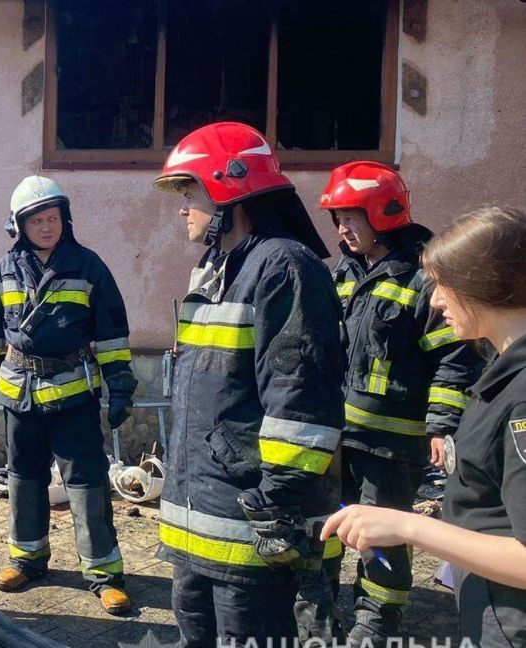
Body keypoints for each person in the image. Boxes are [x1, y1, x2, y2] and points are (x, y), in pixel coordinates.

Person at [152, 122, 345, 645]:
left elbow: (300, 398)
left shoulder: (284, 266)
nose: (181, 206)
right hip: (203, 521)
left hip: (252, 527)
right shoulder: (218, 267)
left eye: (189, 191)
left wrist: (274, 503)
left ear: (226, 190)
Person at [323, 206, 526, 647]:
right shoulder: (503, 372)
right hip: (490, 609)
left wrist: (410, 527)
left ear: (487, 284)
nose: (434, 300)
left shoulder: (522, 394)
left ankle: (378, 617)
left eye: (444, 286)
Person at [0, 175, 138, 615]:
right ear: (20, 225)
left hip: (73, 395)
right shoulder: (3, 271)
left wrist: (120, 388)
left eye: (53, 218)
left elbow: (112, 335)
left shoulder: (89, 266)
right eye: (37, 220)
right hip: (18, 396)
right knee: (23, 479)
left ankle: (104, 574)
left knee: (86, 483)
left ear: (66, 220)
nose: (47, 227)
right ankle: (27, 559)